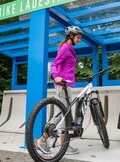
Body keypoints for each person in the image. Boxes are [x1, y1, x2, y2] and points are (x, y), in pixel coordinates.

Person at [37, 25, 83, 155]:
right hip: (62, 84)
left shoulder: (69, 48)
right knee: (63, 114)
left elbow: (67, 67)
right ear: (71, 36)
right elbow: (55, 64)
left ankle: (61, 144)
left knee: (64, 114)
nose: (79, 40)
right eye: (78, 37)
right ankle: (45, 141)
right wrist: (56, 76)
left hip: (67, 84)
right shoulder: (65, 48)